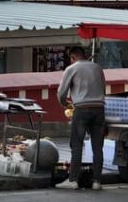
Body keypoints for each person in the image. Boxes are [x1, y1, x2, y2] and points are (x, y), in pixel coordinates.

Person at [55, 46, 106, 190]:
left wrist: (65, 103)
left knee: (76, 145)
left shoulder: (71, 69)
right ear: (84, 55)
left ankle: (73, 180)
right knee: (98, 147)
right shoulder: (97, 68)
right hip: (99, 109)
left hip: (82, 109)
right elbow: (103, 88)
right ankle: (97, 181)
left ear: (72, 57)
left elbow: (61, 93)